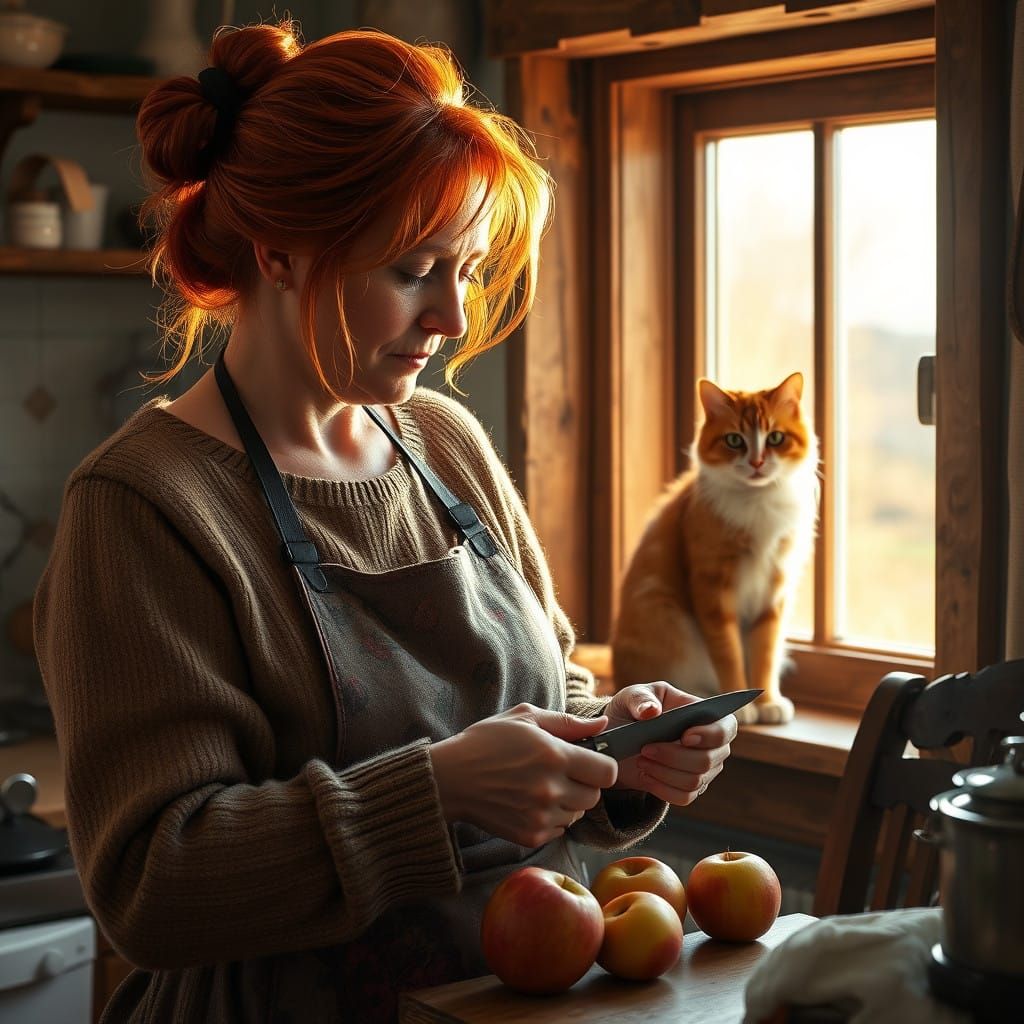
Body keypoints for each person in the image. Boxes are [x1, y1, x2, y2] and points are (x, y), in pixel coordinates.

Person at [34, 19, 737, 1024]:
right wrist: (439, 791)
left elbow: (541, 686)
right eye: (415, 271)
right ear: (280, 253)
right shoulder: (143, 505)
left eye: (467, 266)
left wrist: (615, 744)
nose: (453, 317)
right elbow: (152, 884)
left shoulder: (442, 442)